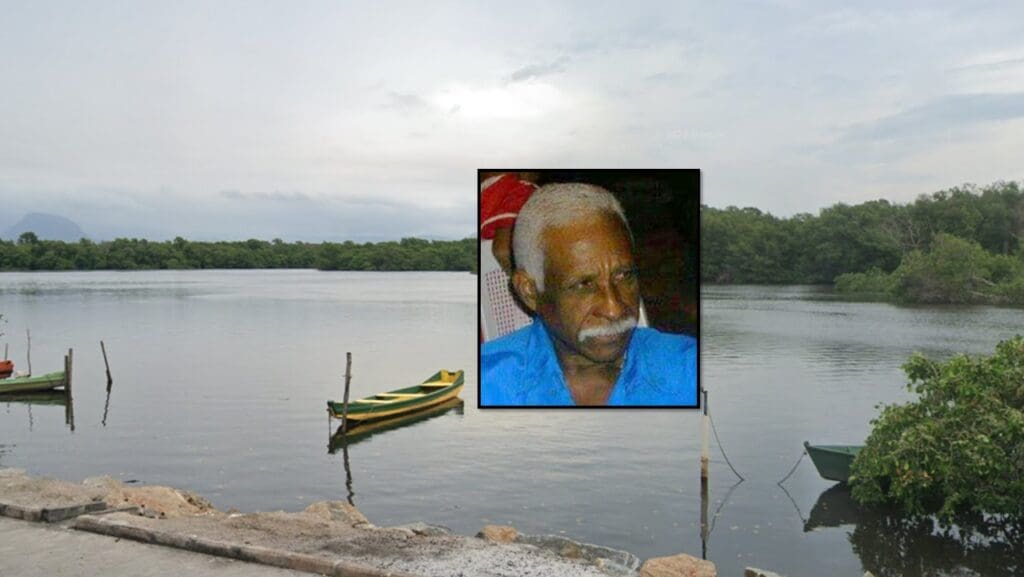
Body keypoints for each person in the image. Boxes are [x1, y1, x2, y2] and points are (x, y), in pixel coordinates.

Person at [480, 183, 698, 406]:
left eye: (624, 276)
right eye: (584, 284)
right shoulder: (483, 383)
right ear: (530, 291)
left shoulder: (689, 369)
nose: (614, 309)